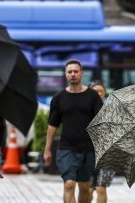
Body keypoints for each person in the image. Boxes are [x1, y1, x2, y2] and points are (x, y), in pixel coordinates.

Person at [44, 59, 103, 203]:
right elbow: (52, 125)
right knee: (69, 184)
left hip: (89, 149)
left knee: (84, 187)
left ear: (81, 73)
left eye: (75, 71)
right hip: (67, 148)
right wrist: (47, 150)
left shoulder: (92, 96)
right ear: (65, 75)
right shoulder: (58, 98)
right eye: (69, 72)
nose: (72, 74)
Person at [87, 80, 115, 203]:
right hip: (87, 153)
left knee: (100, 188)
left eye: (101, 91)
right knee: (87, 189)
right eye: (95, 91)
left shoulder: (111, 109)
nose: (98, 93)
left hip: (106, 154)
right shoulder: (83, 110)